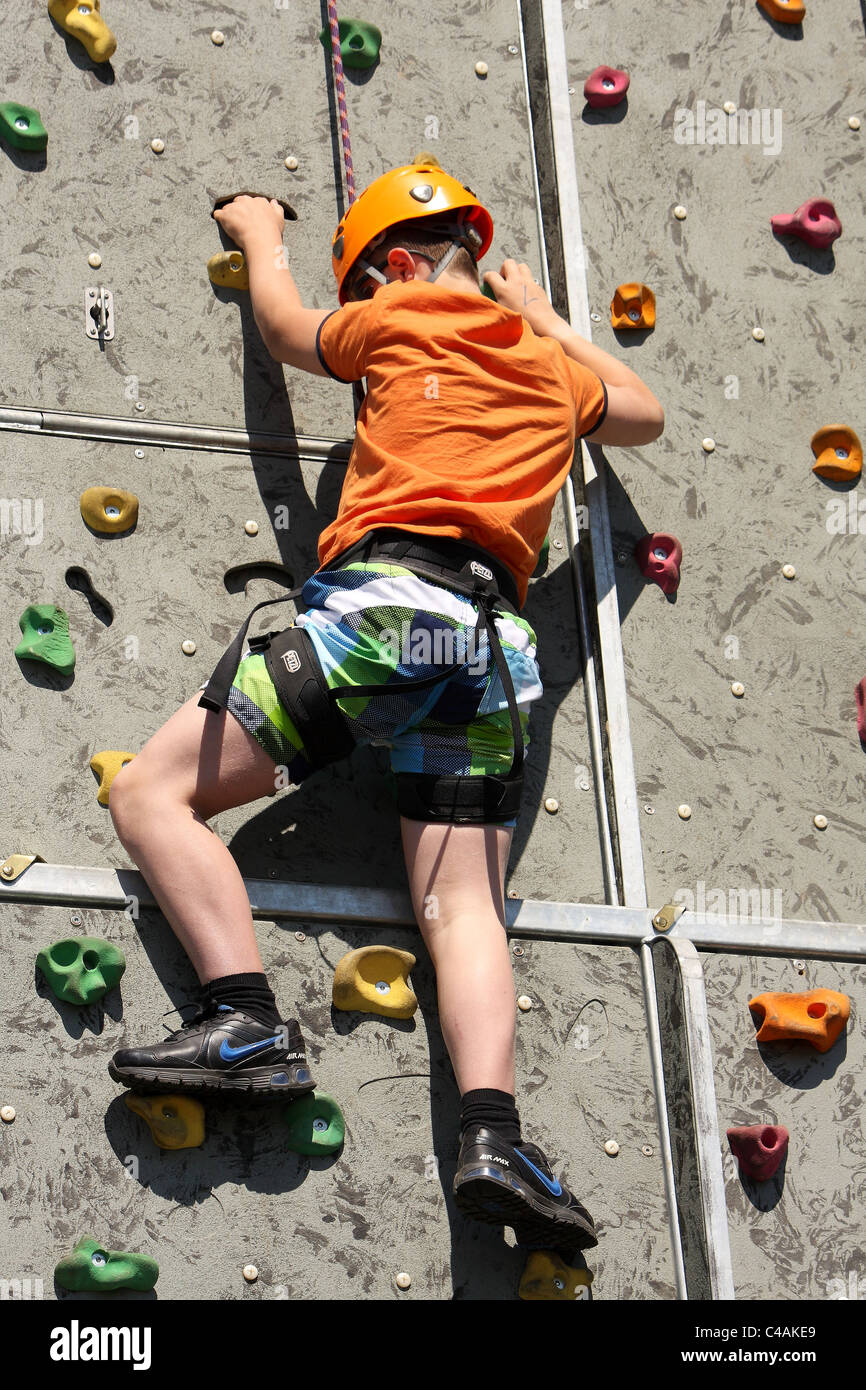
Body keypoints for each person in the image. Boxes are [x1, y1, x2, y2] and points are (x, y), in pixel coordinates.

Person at [107, 163, 663, 1252]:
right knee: (460, 912)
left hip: (390, 613)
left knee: (151, 792)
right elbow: (639, 415)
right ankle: (494, 1135)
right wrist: (547, 319)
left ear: (399, 267)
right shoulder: (548, 366)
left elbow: (282, 327)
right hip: (494, 651)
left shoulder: (400, 311)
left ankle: (246, 1023)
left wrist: (261, 234)